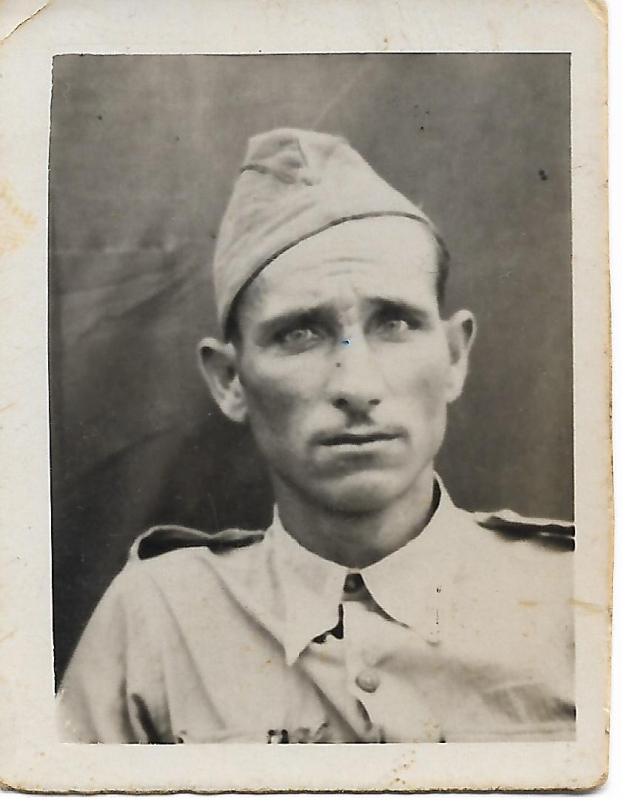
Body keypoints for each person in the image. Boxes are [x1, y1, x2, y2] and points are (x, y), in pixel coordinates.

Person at [57, 128, 575, 744]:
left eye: (395, 323)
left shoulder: (580, 600)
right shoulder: (157, 620)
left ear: (455, 356)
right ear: (230, 380)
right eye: (300, 333)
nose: (356, 385)